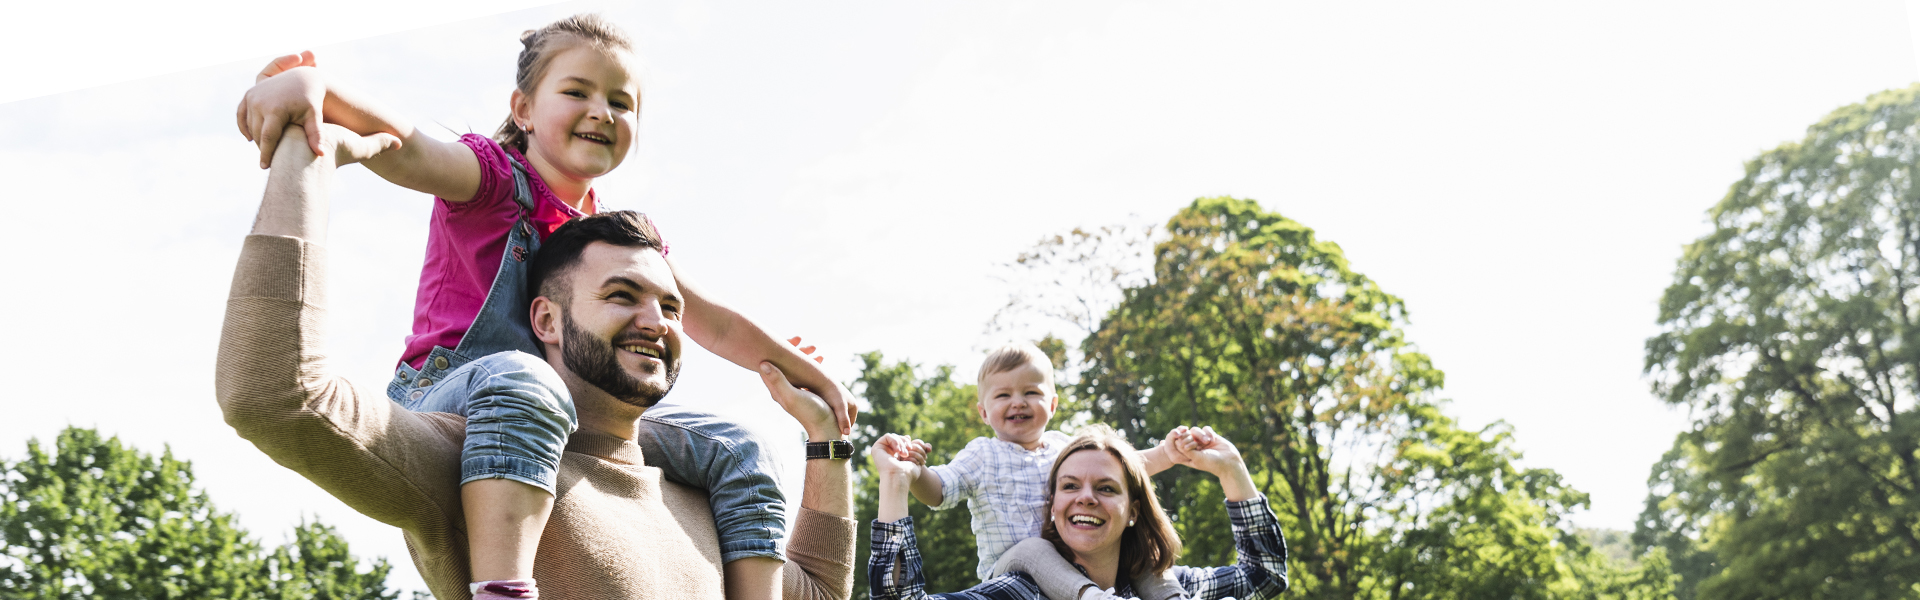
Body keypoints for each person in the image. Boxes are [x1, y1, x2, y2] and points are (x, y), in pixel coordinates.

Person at [231, 14, 852, 599]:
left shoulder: (616, 236)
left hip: (567, 411)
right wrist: (317, 87)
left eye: (621, 101)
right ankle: (504, 588)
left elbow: (711, 318)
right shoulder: (493, 180)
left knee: (741, 446)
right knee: (526, 380)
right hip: (459, 391)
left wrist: (807, 376)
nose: (601, 112)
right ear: (523, 109)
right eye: (577, 92)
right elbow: (406, 143)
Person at [871, 343, 1191, 597]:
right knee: (1037, 548)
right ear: (984, 411)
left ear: (1052, 405)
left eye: (1031, 392)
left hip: (1068, 566)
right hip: (1013, 571)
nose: (1018, 402)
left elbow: (1122, 469)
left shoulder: (1063, 447)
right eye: (1003, 395)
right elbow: (939, 490)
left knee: (1140, 549)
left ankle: (1173, 597)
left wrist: (1166, 453)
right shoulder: (983, 454)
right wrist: (916, 471)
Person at [866, 425, 1288, 600]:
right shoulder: (1022, 593)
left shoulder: (1162, 585)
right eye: (1069, 486)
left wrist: (1232, 470)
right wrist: (896, 483)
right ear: (1053, 508)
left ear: (1134, 511)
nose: (1085, 497)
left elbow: (1264, 575)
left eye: (1106, 488)